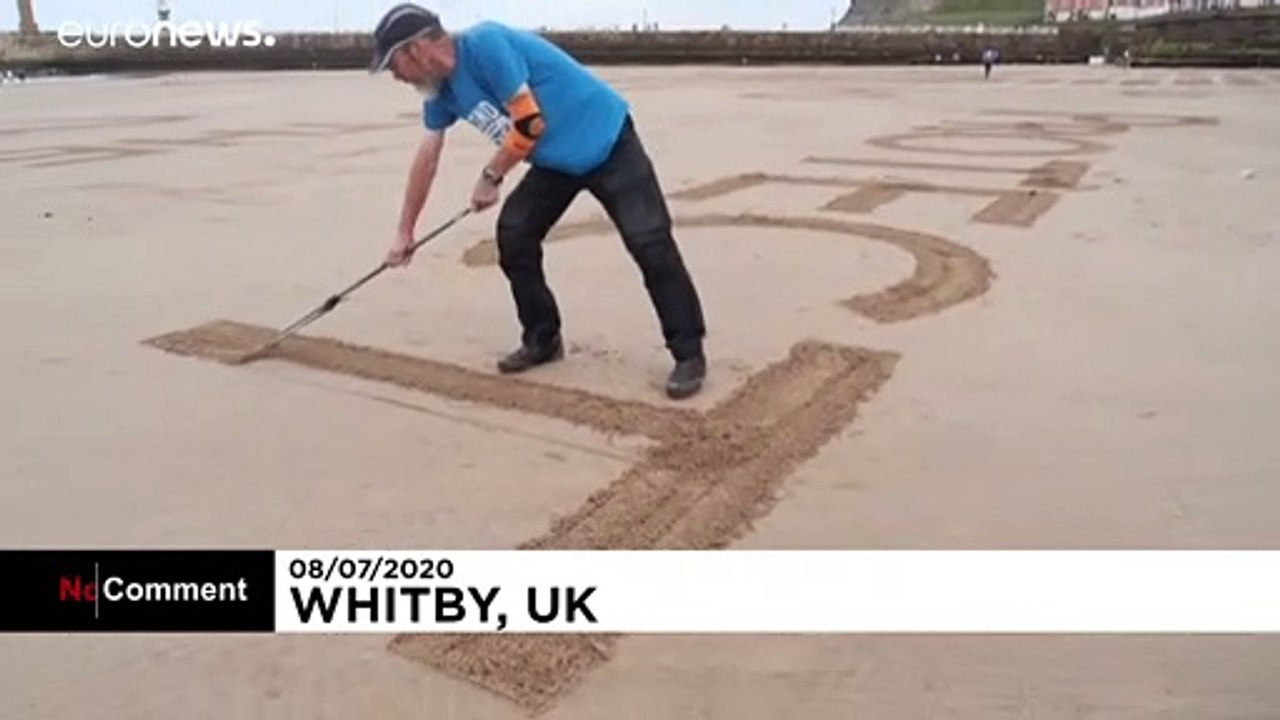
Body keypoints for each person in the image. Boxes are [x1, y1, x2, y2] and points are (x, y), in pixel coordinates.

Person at [368, 3, 709, 400]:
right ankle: (542, 337)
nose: (395, 77)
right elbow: (427, 156)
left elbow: (530, 123)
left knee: (650, 244)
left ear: (415, 50)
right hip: (555, 163)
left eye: (393, 66)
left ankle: (689, 353)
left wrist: (490, 176)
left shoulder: (487, 44)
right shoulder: (439, 92)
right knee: (515, 234)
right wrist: (404, 231)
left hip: (610, 143)